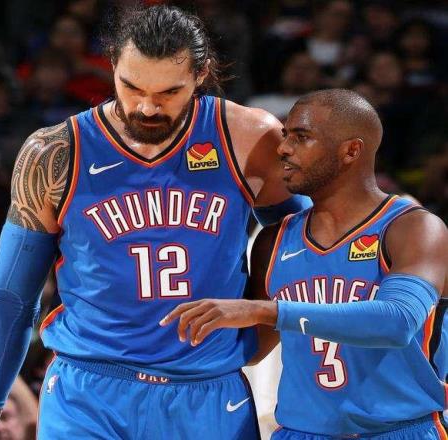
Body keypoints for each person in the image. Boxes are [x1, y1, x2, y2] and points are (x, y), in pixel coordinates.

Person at [0, 5, 311, 440]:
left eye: (169, 92)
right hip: (88, 392)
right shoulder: (55, 153)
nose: (147, 107)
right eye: (131, 86)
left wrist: (263, 320)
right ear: (112, 64)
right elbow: (10, 296)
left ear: (201, 74)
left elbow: (305, 246)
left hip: (207, 390)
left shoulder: (248, 137)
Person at [163, 89, 448, 438]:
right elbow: (248, 349)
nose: (283, 148)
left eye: (301, 137)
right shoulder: (273, 241)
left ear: (351, 151)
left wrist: (267, 311)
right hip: (301, 432)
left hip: (399, 430)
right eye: (285, 135)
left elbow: (398, 321)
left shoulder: (414, 228)